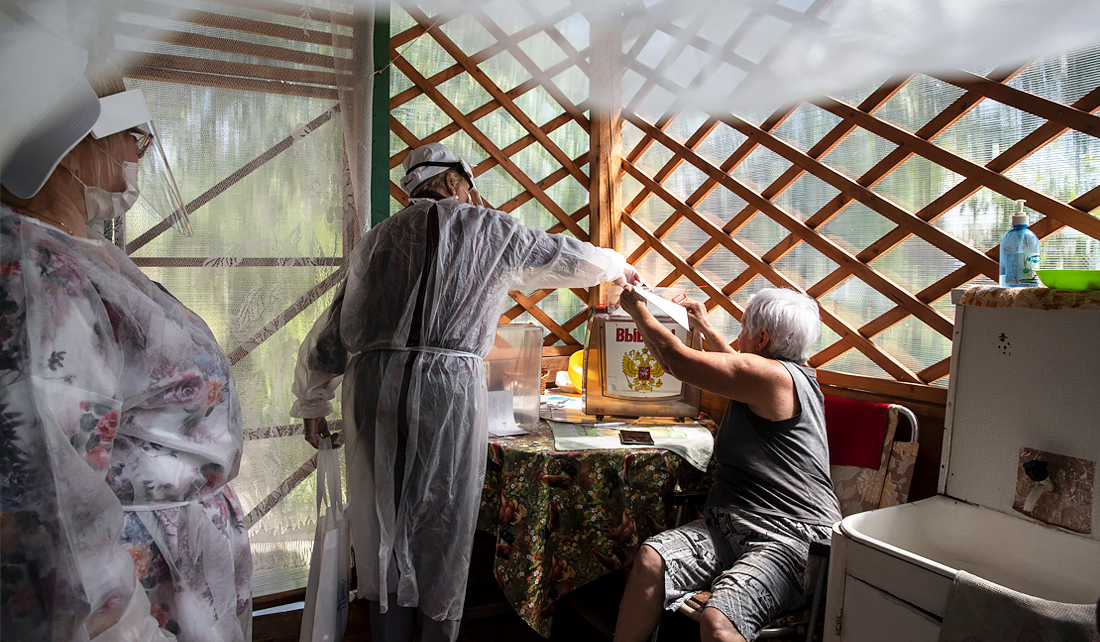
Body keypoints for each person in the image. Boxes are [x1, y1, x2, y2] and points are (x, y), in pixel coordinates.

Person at [291, 142, 641, 642]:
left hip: (373, 388)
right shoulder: (490, 230)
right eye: (469, 185)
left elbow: (334, 326)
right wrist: (617, 265)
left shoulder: (379, 239)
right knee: (443, 522)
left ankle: (389, 632)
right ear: (455, 182)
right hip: (446, 391)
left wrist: (312, 400)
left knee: (383, 519)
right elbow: (563, 255)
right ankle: (436, 632)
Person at [0, 55, 251, 640]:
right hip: (138, 594)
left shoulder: (74, 253)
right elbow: (52, 498)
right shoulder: (36, 274)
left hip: (179, 566)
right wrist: (124, 626)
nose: (137, 155)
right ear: (68, 144)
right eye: (129, 136)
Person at [613, 287, 841, 642]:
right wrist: (704, 327)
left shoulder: (773, 378)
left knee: (719, 621)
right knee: (651, 560)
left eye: (744, 329)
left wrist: (637, 311)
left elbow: (677, 361)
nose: (738, 336)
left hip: (788, 537)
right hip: (730, 527)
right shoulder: (781, 376)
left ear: (762, 339)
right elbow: (736, 364)